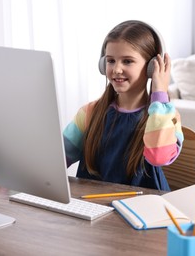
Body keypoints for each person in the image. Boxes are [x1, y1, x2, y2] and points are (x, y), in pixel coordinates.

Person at [63, 20, 183, 191]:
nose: (116, 69)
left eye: (127, 61)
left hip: (141, 209)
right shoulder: (90, 112)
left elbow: (158, 156)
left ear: (152, 67)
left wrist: (159, 94)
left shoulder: (166, 116)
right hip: (92, 206)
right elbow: (59, 158)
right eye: (111, 61)